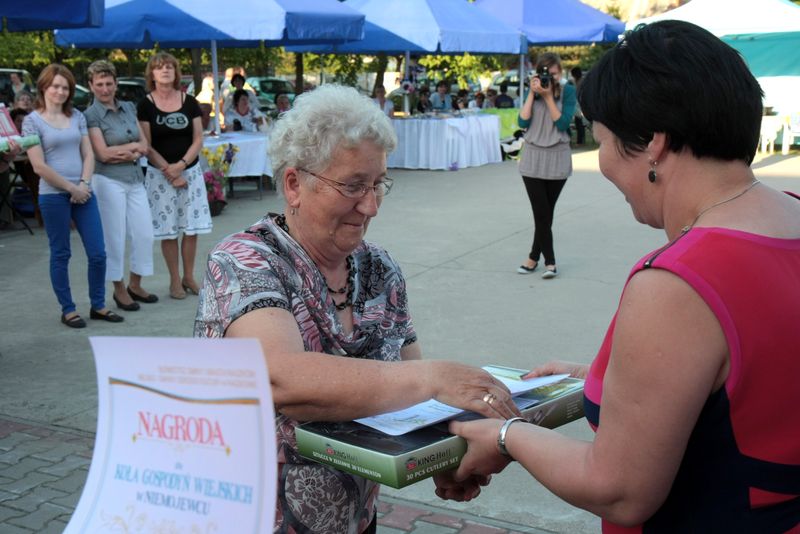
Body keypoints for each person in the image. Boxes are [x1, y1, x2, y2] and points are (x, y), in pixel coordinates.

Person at [439, 21, 800, 533]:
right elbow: (754, 379)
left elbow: (620, 489)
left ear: (653, 143)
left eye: (604, 140)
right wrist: (612, 375)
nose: (604, 161)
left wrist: (507, 436)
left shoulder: (681, 281)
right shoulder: (789, 218)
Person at [194, 84, 519, 533]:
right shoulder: (244, 262)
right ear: (294, 184)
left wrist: (442, 456)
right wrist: (435, 379)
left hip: (354, 517)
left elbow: (412, 402)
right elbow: (279, 377)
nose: (370, 206)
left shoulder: (379, 269)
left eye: (377, 184)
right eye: (352, 186)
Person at [22, 64, 123, 327]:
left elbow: (88, 153)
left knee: (98, 253)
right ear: (44, 86)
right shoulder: (32, 121)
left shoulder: (77, 116)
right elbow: (38, 166)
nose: (60, 91)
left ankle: (98, 305)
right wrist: (71, 189)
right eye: (55, 86)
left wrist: (84, 183)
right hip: (54, 196)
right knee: (61, 253)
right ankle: (68, 309)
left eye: (65, 87)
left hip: (84, 192)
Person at [84, 60, 158, 313]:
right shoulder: (90, 115)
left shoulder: (128, 107)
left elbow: (144, 145)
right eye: (99, 84)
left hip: (135, 178)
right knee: (114, 237)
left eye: (109, 83)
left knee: (144, 233)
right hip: (107, 180)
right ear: (91, 86)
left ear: (116, 84)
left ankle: (136, 283)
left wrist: (125, 151)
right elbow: (102, 154)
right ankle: (118, 288)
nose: (105, 89)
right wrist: (131, 150)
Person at [137, 52, 211, 300]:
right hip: (159, 177)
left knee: (191, 228)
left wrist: (181, 165)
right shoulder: (145, 105)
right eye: (159, 67)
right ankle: (173, 280)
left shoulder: (189, 101)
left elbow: (198, 138)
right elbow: (145, 145)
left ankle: (189, 276)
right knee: (169, 230)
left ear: (176, 72)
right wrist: (168, 171)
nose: (165, 70)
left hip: (189, 172)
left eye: (169, 67)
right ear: (152, 74)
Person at [515, 52, 576, 279]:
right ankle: (550, 262)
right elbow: (522, 121)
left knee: (545, 214)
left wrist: (549, 97)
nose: (548, 78)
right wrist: (532, 93)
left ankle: (532, 257)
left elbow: (562, 123)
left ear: (560, 72)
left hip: (557, 156)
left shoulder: (568, 91)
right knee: (541, 213)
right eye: (544, 73)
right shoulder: (533, 89)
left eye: (553, 73)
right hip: (533, 156)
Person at [570, 66, 586, 146]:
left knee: (580, 123)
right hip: (578, 105)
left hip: (581, 105)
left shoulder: (581, 82)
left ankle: (580, 141)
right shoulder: (577, 81)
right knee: (579, 123)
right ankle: (580, 140)